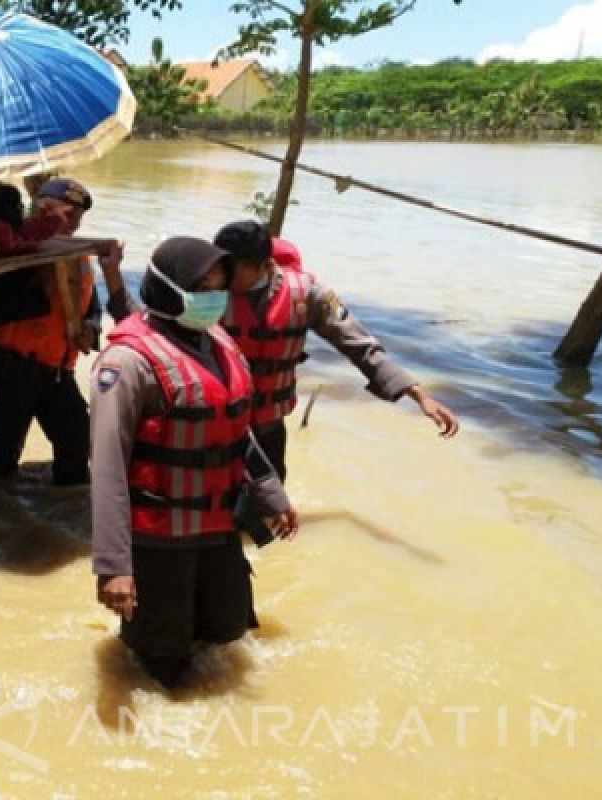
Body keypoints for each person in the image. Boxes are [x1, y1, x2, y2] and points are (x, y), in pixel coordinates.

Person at [91, 237, 297, 688]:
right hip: (159, 537)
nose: (215, 295)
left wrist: (271, 494)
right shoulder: (127, 363)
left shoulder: (218, 341)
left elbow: (234, 431)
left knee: (224, 631)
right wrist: (114, 567)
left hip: (217, 525)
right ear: (167, 289)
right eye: (203, 285)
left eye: (220, 284)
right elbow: (107, 472)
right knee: (161, 660)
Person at [213, 220, 459, 480]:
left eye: (233, 271)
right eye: (221, 268)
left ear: (264, 265)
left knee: (268, 505)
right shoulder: (206, 288)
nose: (222, 278)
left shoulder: (307, 294)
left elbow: (357, 343)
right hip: (217, 419)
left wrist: (418, 394)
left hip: (268, 423)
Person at [0, 178, 115, 485]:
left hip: (58, 371)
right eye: (65, 214)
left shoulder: (79, 253)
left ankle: (67, 513)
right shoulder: (15, 251)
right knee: (2, 457)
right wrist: (43, 288)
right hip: (14, 369)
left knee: (77, 447)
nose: (71, 223)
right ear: (41, 210)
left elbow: (90, 303)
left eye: (77, 217)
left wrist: (91, 327)